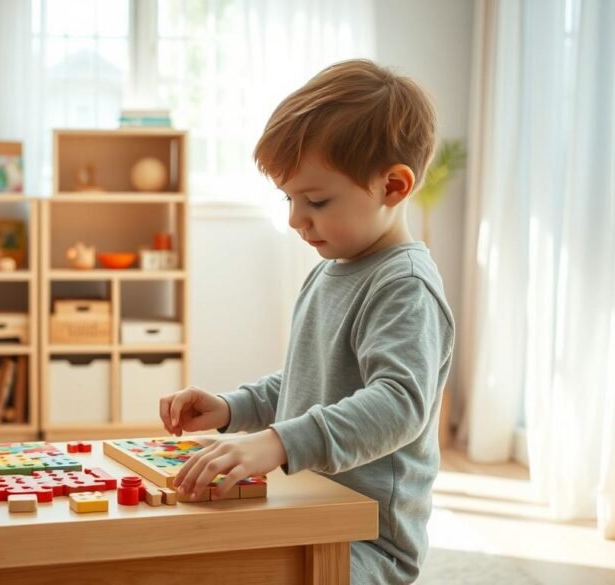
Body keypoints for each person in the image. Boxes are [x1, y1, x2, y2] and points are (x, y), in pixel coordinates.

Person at [159, 59, 456, 584]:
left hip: (364, 541)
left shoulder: (405, 286)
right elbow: (308, 384)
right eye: (290, 198)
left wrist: (275, 442)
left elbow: (399, 404)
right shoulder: (333, 269)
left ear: (392, 187)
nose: (296, 218)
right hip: (305, 509)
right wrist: (234, 408)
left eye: (316, 200)